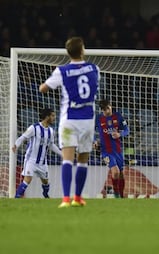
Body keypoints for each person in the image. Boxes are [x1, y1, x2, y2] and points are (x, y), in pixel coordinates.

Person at [39, 37, 100, 207]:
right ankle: (78, 198)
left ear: (68, 52)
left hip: (69, 120)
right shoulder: (94, 69)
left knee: (67, 159)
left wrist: (45, 84)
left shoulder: (62, 71)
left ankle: (65, 199)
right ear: (82, 51)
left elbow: (43, 89)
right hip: (87, 119)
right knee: (83, 160)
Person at [12, 108, 61, 198]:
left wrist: (62, 154)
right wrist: (16, 144)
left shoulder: (51, 131)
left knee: (46, 182)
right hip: (31, 160)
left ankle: (45, 195)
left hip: (42, 162)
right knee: (27, 180)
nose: (54, 118)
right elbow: (23, 137)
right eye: (53, 116)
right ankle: (16, 198)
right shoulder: (34, 128)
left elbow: (51, 145)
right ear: (47, 117)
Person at [95, 99, 130, 198]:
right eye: (105, 109)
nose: (108, 110)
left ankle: (122, 196)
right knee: (115, 172)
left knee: (121, 174)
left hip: (118, 150)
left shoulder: (118, 116)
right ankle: (116, 195)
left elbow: (127, 130)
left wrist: (120, 134)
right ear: (102, 110)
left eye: (108, 107)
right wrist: (94, 141)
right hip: (106, 151)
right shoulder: (98, 119)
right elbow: (89, 131)